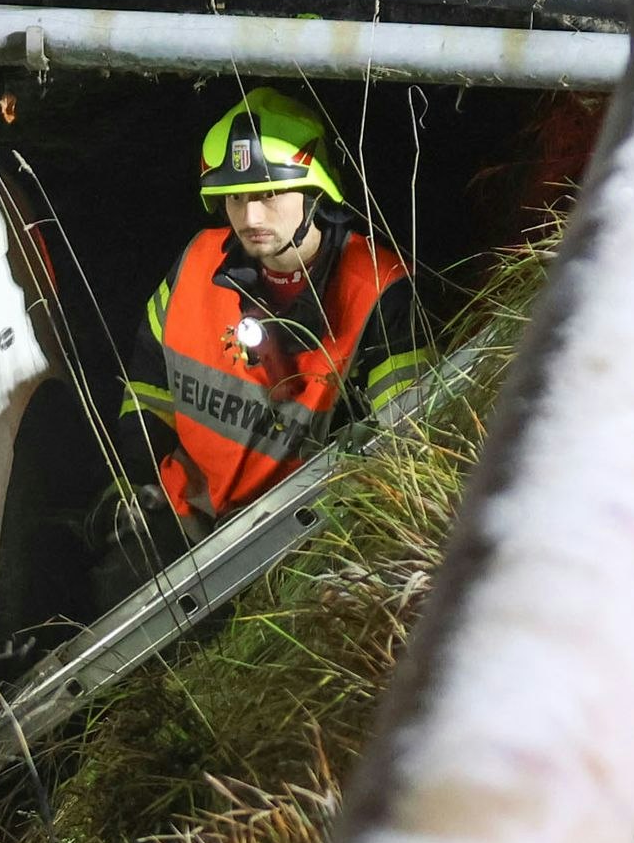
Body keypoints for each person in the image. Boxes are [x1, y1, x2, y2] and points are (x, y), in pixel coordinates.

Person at [120, 87, 435, 540]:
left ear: (315, 191)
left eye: (269, 192)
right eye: (234, 197)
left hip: (306, 540)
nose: (249, 216)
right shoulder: (196, 261)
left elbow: (408, 442)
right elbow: (147, 382)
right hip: (186, 525)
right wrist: (138, 478)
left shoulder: (378, 288)